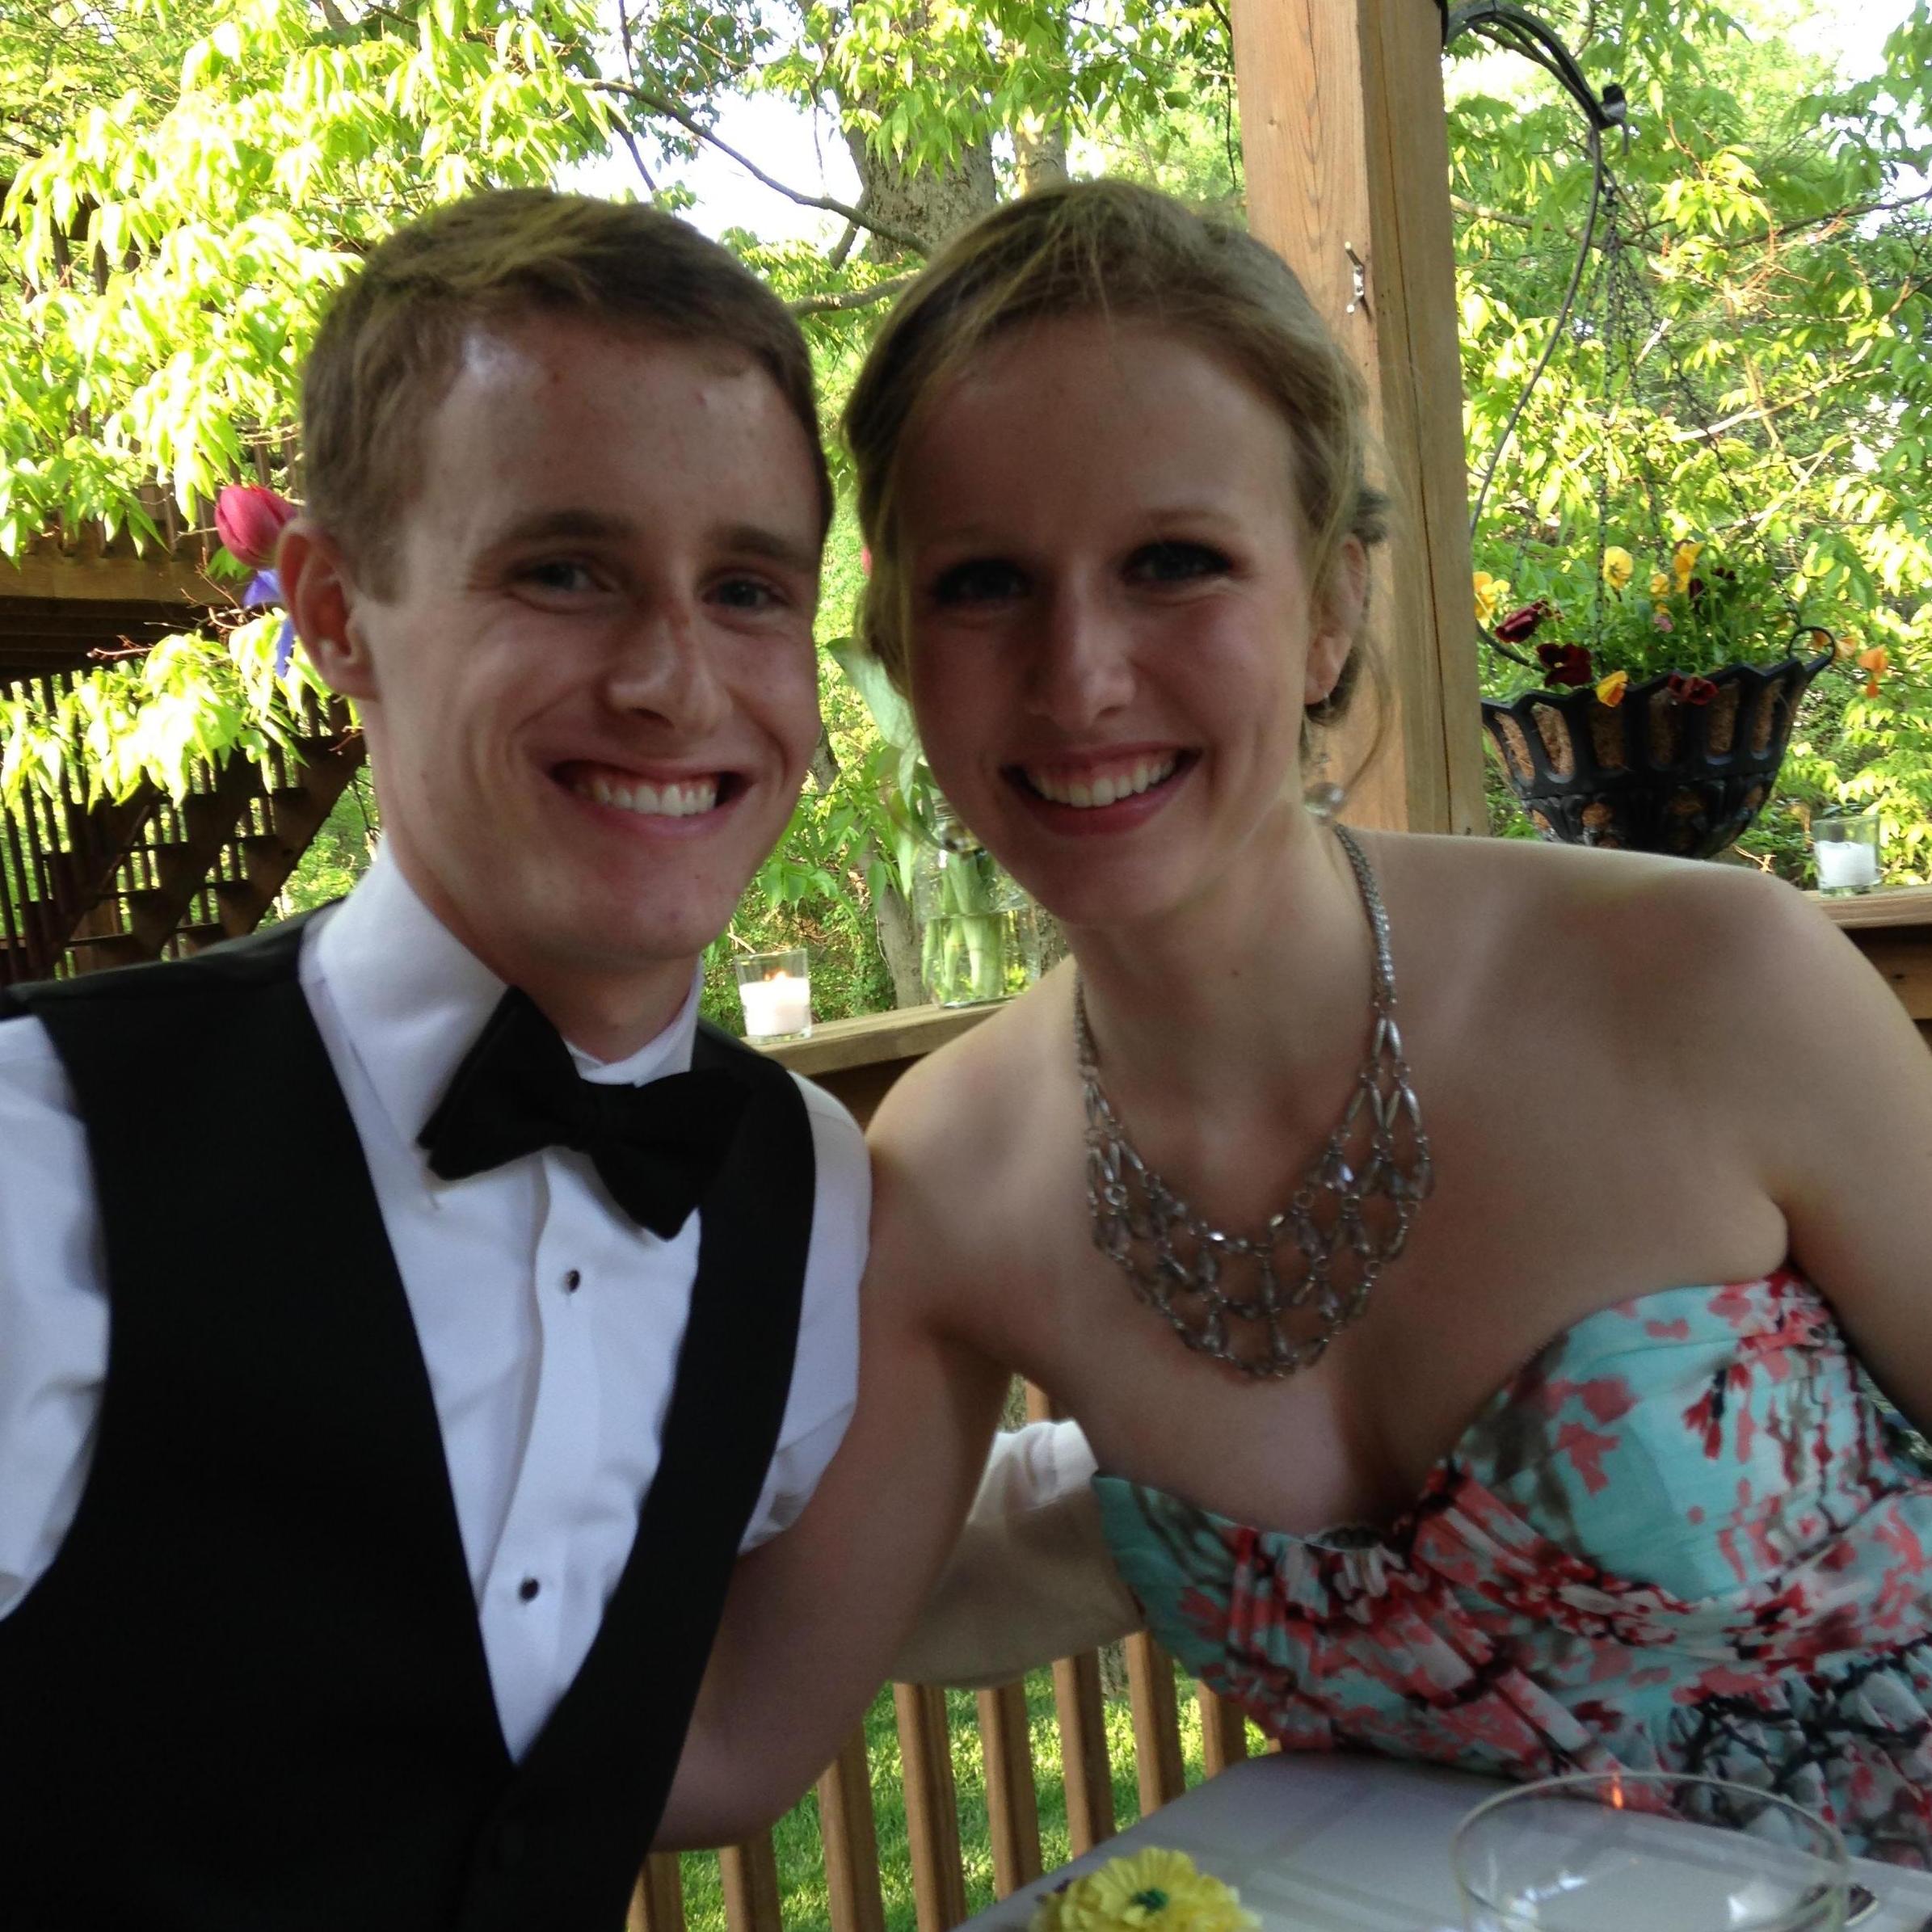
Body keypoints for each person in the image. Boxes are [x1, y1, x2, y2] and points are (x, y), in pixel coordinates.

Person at [666, 179, 1932, 1866]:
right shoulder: (953, 1177)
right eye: (982, 585)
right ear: (898, 640)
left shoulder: (1709, 983)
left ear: (1328, 602)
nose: (1078, 672)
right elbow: (739, 1725)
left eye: (1172, 561)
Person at [0, 188, 871, 1930]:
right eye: (564, 569)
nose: (673, 679)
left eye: (748, 587)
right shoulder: (37, 1154)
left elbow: (793, 1587)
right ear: (333, 611)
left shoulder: (809, 1185)